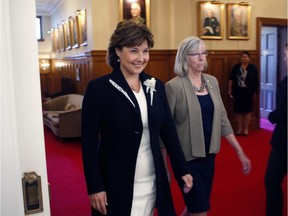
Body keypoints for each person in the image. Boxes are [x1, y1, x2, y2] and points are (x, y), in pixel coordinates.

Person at [81, 20, 193, 216]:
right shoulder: (99, 89)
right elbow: (88, 142)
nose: (141, 58)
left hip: (151, 178)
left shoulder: (156, 86)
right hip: (116, 179)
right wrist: (95, 186)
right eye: (134, 51)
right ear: (117, 51)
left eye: (145, 51)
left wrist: (181, 169)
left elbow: (168, 132)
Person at [165, 36, 251, 216]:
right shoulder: (173, 87)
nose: (201, 58)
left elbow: (223, 120)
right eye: (195, 54)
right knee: (200, 210)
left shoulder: (212, 82)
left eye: (204, 53)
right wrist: (165, 164)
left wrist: (239, 151)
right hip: (186, 160)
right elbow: (166, 130)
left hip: (209, 156)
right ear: (184, 57)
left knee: (196, 205)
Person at [264, 43, 287, 216]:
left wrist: (271, 117)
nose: (285, 58)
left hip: (284, 142)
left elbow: (283, 113)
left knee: (271, 180)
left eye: (287, 54)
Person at [228, 51, 259, 136]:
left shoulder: (252, 68)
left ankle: (246, 129)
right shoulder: (236, 67)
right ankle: (239, 128)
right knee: (238, 111)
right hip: (237, 92)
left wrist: (255, 92)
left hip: (249, 93)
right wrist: (229, 90)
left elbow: (256, 81)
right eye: (242, 57)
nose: (244, 58)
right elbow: (231, 79)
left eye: (246, 57)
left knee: (247, 111)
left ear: (249, 58)